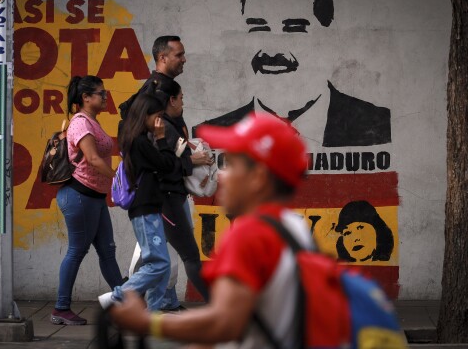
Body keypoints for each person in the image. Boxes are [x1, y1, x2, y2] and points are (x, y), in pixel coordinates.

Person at [109, 112, 315, 348]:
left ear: (257, 178)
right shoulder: (294, 226)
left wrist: (147, 324)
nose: (222, 175)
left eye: (232, 164)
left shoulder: (251, 235)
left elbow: (223, 323)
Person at [197, 0, 391, 148]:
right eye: (258, 28)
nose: (272, 51)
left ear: (326, 41)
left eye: (294, 30)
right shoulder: (209, 136)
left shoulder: (378, 127)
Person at [51, 75, 124, 326]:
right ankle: (61, 308)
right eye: (101, 93)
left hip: (94, 197)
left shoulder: (93, 121)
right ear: (86, 97)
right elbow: (93, 159)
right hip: (80, 196)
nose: (105, 97)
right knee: (76, 250)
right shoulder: (81, 123)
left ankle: (126, 303)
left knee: (107, 250)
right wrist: (119, 179)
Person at [99, 94, 176, 311]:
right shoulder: (140, 142)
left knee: (163, 266)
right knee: (158, 263)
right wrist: (161, 138)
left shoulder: (137, 139)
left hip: (149, 209)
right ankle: (117, 296)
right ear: (145, 116)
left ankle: (150, 316)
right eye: (157, 117)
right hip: (145, 211)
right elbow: (167, 164)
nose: (160, 122)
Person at [154, 78, 212, 307]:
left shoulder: (172, 124)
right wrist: (192, 160)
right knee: (189, 256)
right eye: (181, 98)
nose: (183, 103)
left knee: (160, 259)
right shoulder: (164, 127)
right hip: (167, 198)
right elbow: (163, 166)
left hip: (173, 198)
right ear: (171, 100)